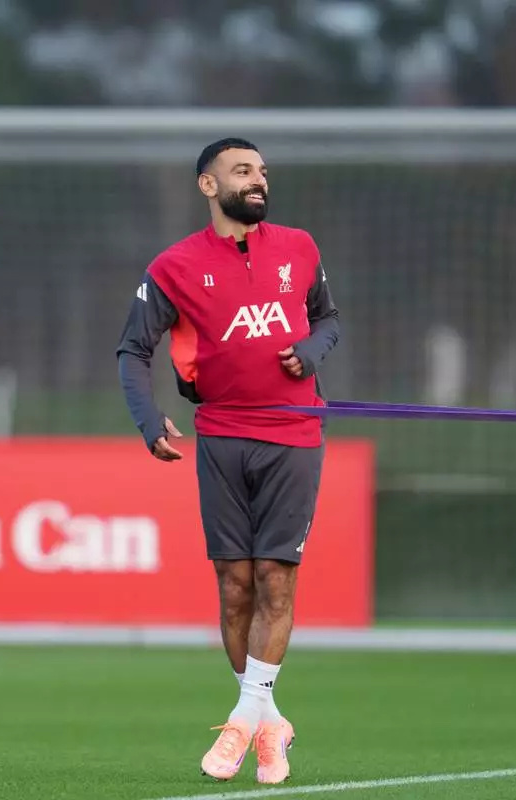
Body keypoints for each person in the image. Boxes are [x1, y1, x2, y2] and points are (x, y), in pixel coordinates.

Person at [115, 137, 340, 784]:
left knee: (275, 576)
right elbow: (133, 349)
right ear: (208, 186)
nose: (258, 180)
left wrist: (310, 352)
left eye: (262, 171)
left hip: (293, 434)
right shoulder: (174, 266)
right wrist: (147, 417)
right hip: (220, 436)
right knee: (235, 585)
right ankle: (270, 724)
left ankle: (243, 719)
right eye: (242, 171)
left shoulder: (299, 247)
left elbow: (328, 320)